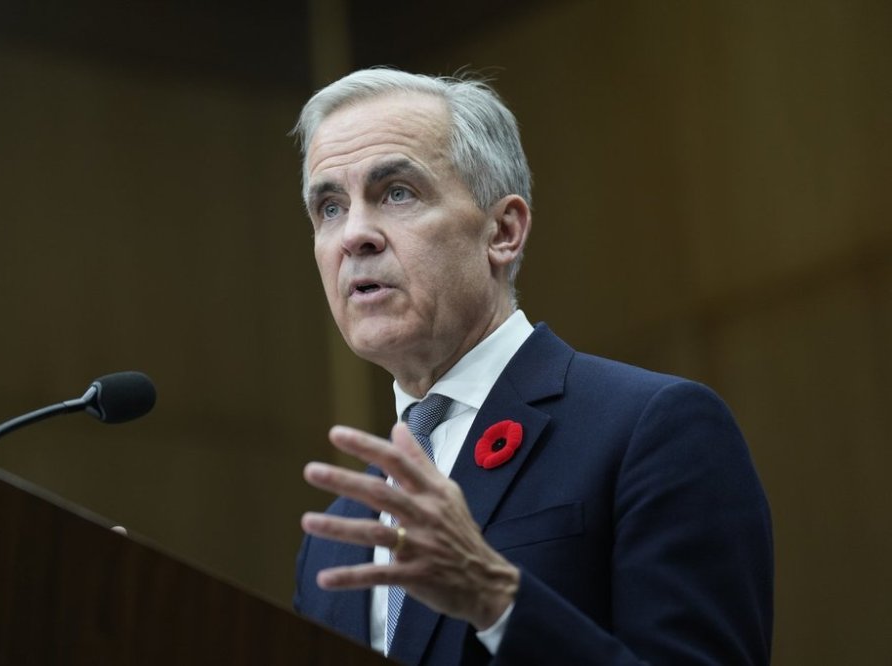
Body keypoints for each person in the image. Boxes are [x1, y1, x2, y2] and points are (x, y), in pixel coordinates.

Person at [291, 68, 773, 665]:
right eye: (330, 207)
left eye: (397, 193)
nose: (355, 235)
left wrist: (495, 598)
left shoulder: (653, 430)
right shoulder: (333, 543)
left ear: (503, 231)